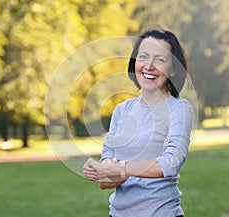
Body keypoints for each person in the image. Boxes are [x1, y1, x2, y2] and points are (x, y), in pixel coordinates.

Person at [83, 27, 194, 217]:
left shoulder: (180, 109)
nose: (149, 66)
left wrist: (121, 169)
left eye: (159, 59)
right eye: (143, 57)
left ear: (174, 69)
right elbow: (106, 181)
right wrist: (99, 171)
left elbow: (170, 163)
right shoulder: (122, 110)